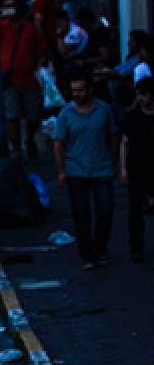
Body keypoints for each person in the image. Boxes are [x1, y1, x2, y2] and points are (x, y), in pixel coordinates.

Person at [50, 71, 120, 268]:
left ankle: (100, 247)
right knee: (81, 214)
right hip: (76, 170)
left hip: (102, 168)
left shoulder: (103, 109)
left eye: (80, 90)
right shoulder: (66, 113)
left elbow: (113, 135)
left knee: (105, 210)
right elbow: (58, 143)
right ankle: (88, 254)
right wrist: (61, 170)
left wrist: (114, 161)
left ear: (90, 90)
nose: (77, 94)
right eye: (74, 91)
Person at [0, 2, 45, 159]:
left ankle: (29, 139)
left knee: (33, 115)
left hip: (28, 78)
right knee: (12, 115)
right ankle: (17, 148)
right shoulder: (1, 26)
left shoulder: (30, 29)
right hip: (10, 79)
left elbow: (40, 50)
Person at [121, 78, 154, 262]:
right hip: (137, 168)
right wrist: (124, 168)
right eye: (138, 94)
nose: (140, 98)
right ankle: (136, 246)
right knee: (135, 210)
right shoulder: (133, 116)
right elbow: (124, 142)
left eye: (143, 94)